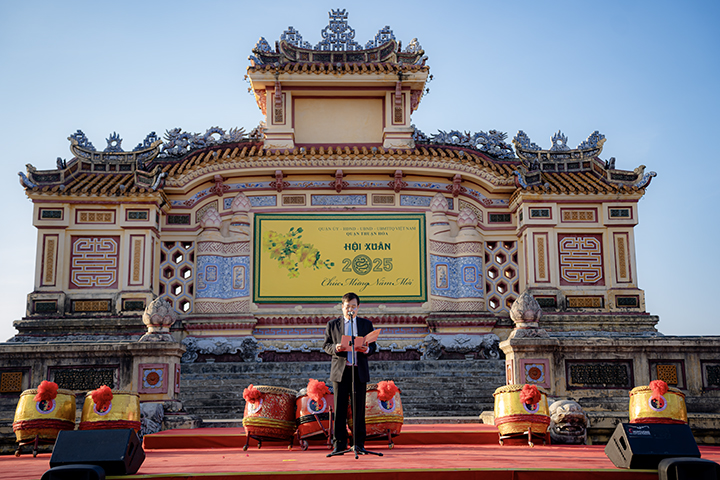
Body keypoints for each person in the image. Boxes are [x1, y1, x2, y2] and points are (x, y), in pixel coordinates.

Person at [323, 292, 377, 455]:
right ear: (342, 307)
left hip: (358, 371)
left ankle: (359, 444)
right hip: (341, 371)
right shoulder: (333, 325)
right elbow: (326, 346)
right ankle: (339, 444)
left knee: (358, 409)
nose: (350, 309)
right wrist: (335, 348)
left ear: (358, 307)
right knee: (339, 408)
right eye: (347, 307)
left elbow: (373, 347)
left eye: (353, 306)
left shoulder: (366, 324)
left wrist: (366, 349)